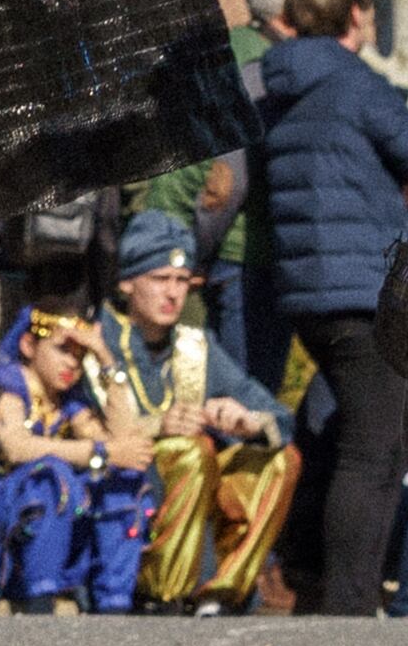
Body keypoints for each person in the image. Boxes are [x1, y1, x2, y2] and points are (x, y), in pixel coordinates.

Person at [248, 0, 408, 615]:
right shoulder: (356, 85)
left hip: (306, 287)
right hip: (363, 285)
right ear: (354, 15)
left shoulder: (277, 86)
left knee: (332, 426)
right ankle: (349, 605)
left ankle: (305, 571)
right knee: (374, 452)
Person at [84, 212, 294, 613]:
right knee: (191, 449)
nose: (173, 294)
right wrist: (158, 426)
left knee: (281, 459)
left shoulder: (195, 344)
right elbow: (80, 430)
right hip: (122, 487)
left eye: (182, 282)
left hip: (193, 494)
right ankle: (161, 592)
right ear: (127, 282)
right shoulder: (96, 339)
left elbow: (277, 416)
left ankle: (219, 593)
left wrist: (248, 422)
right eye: (160, 279)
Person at [0, 314, 153, 611]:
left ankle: (114, 603)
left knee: (122, 480)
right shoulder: (10, 381)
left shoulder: (68, 398)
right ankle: (40, 598)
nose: (72, 364)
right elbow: (17, 448)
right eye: (63, 351)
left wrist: (106, 360)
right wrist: (100, 453)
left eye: (80, 356)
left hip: (48, 520)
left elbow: (124, 441)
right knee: (50, 476)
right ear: (28, 344)